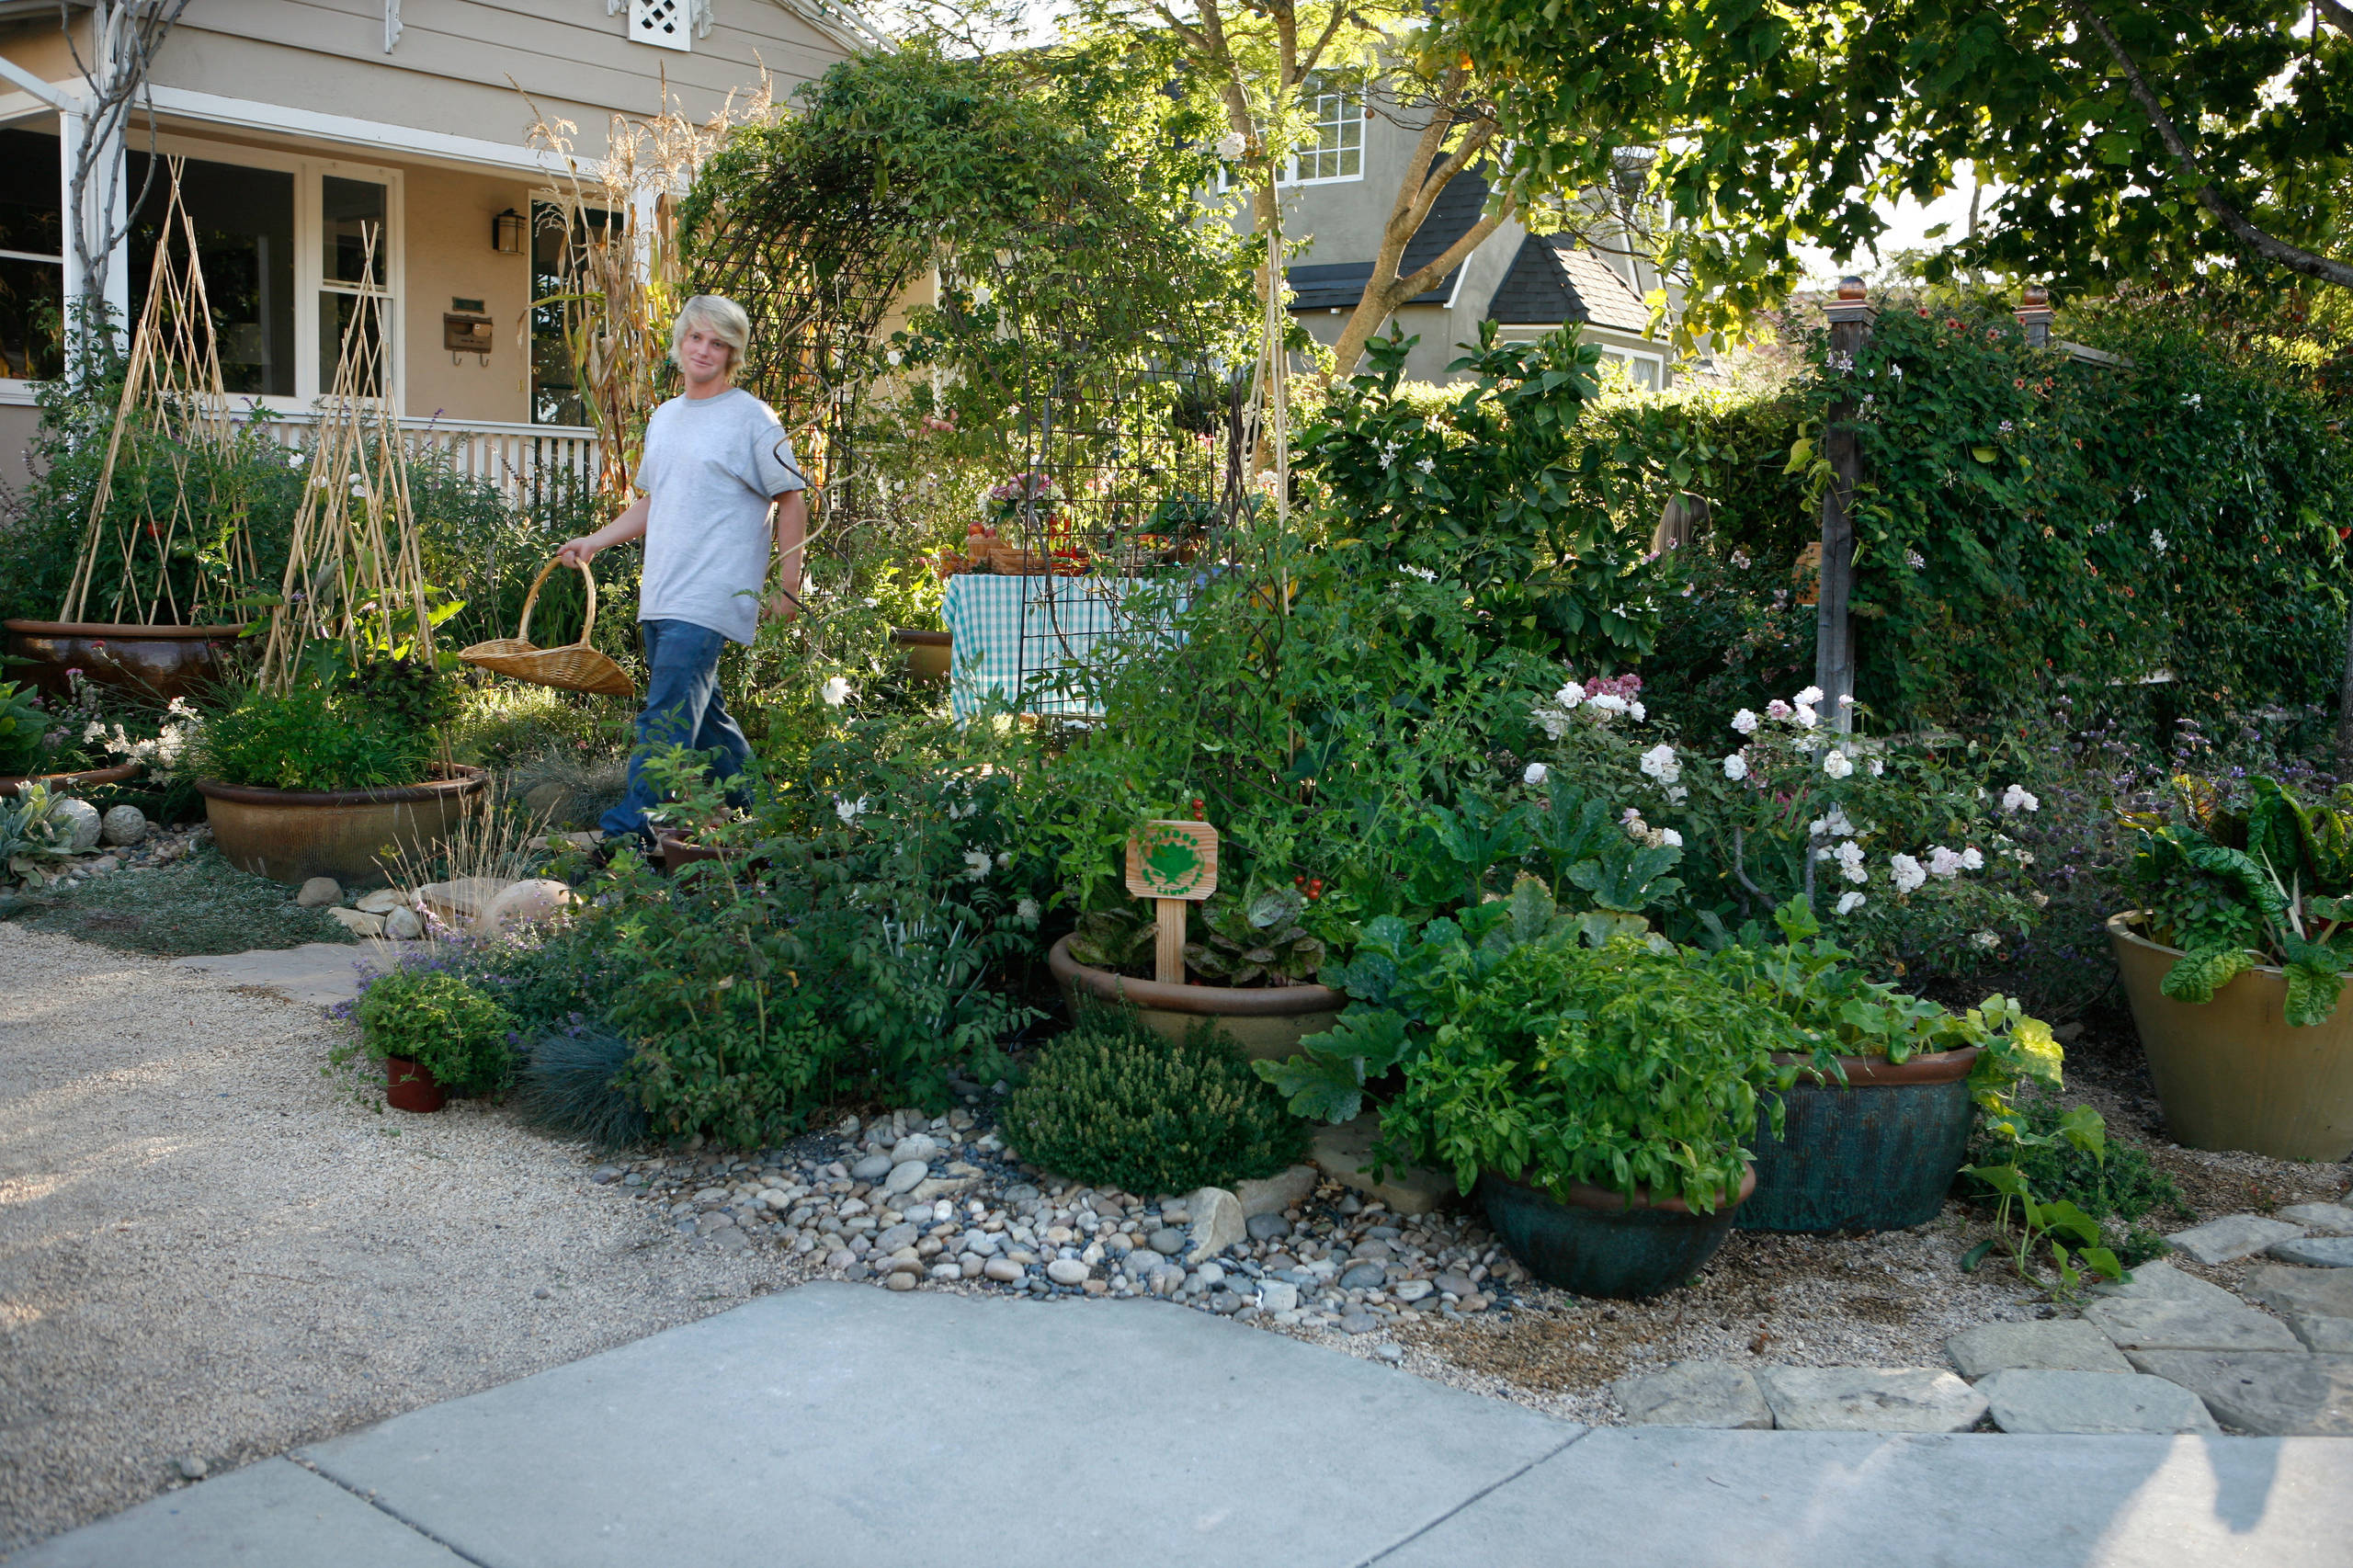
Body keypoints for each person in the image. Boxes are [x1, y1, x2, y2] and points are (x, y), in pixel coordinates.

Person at [556, 294, 806, 849]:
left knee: (664, 722)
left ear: (732, 354)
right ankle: (769, 823)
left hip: (712, 594)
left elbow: (792, 501)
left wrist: (788, 588)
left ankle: (628, 838)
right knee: (704, 719)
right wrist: (594, 542)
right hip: (663, 593)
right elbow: (655, 502)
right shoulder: (666, 419)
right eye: (696, 337)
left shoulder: (752, 419)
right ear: (681, 341)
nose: (704, 350)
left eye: (719, 343)